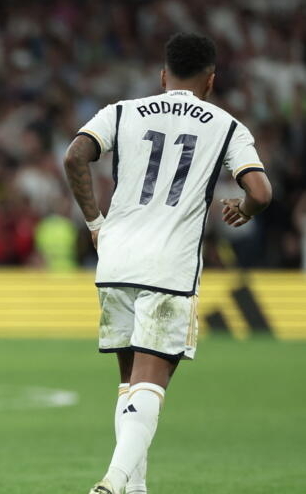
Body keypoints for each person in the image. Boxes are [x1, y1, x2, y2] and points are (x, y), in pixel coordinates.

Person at [63, 32, 272, 494]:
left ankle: (136, 488)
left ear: (163, 76)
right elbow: (260, 191)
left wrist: (95, 222)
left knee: (128, 381)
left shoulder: (121, 111)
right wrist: (245, 209)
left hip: (116, 259)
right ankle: (114, 483)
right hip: (169, 265)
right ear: (211, 80)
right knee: (153, 379)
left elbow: (76, 155)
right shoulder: (227, 126)